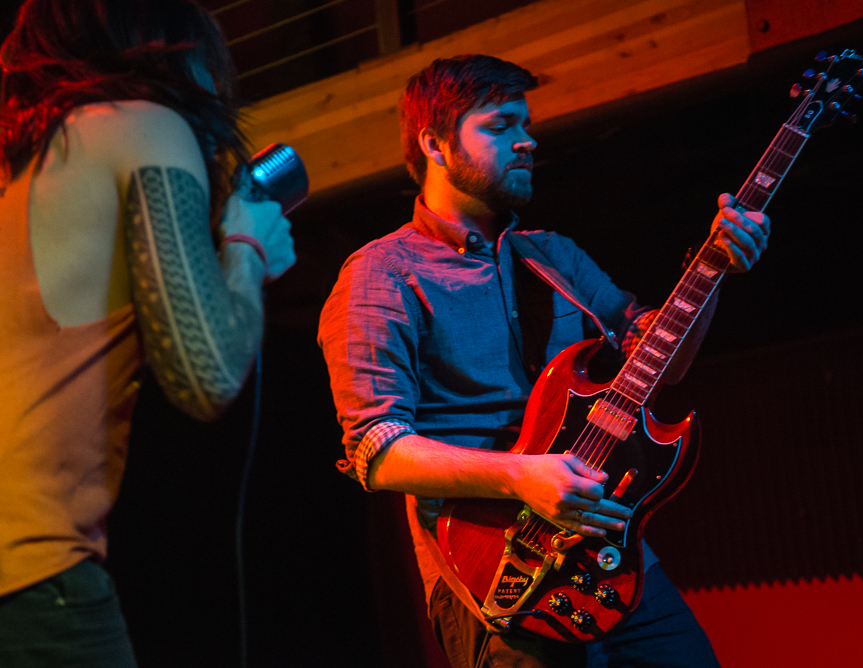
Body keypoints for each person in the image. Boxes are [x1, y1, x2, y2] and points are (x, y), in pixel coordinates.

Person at [319, 55, 768, 667]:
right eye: (501, 126)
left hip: (614, 555)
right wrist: (521, 475)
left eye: (526, 125)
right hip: (497, 576)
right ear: (435, 144)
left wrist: (714, 267)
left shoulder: (552, 255)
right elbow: (375, 448)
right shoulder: (381, 273)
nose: (527, 140)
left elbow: (660, 357)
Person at [0, 1, 295, 665]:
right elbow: (206, 374)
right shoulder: (145, 125)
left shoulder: (20, 170)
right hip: (34, 578)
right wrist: (248, 247)